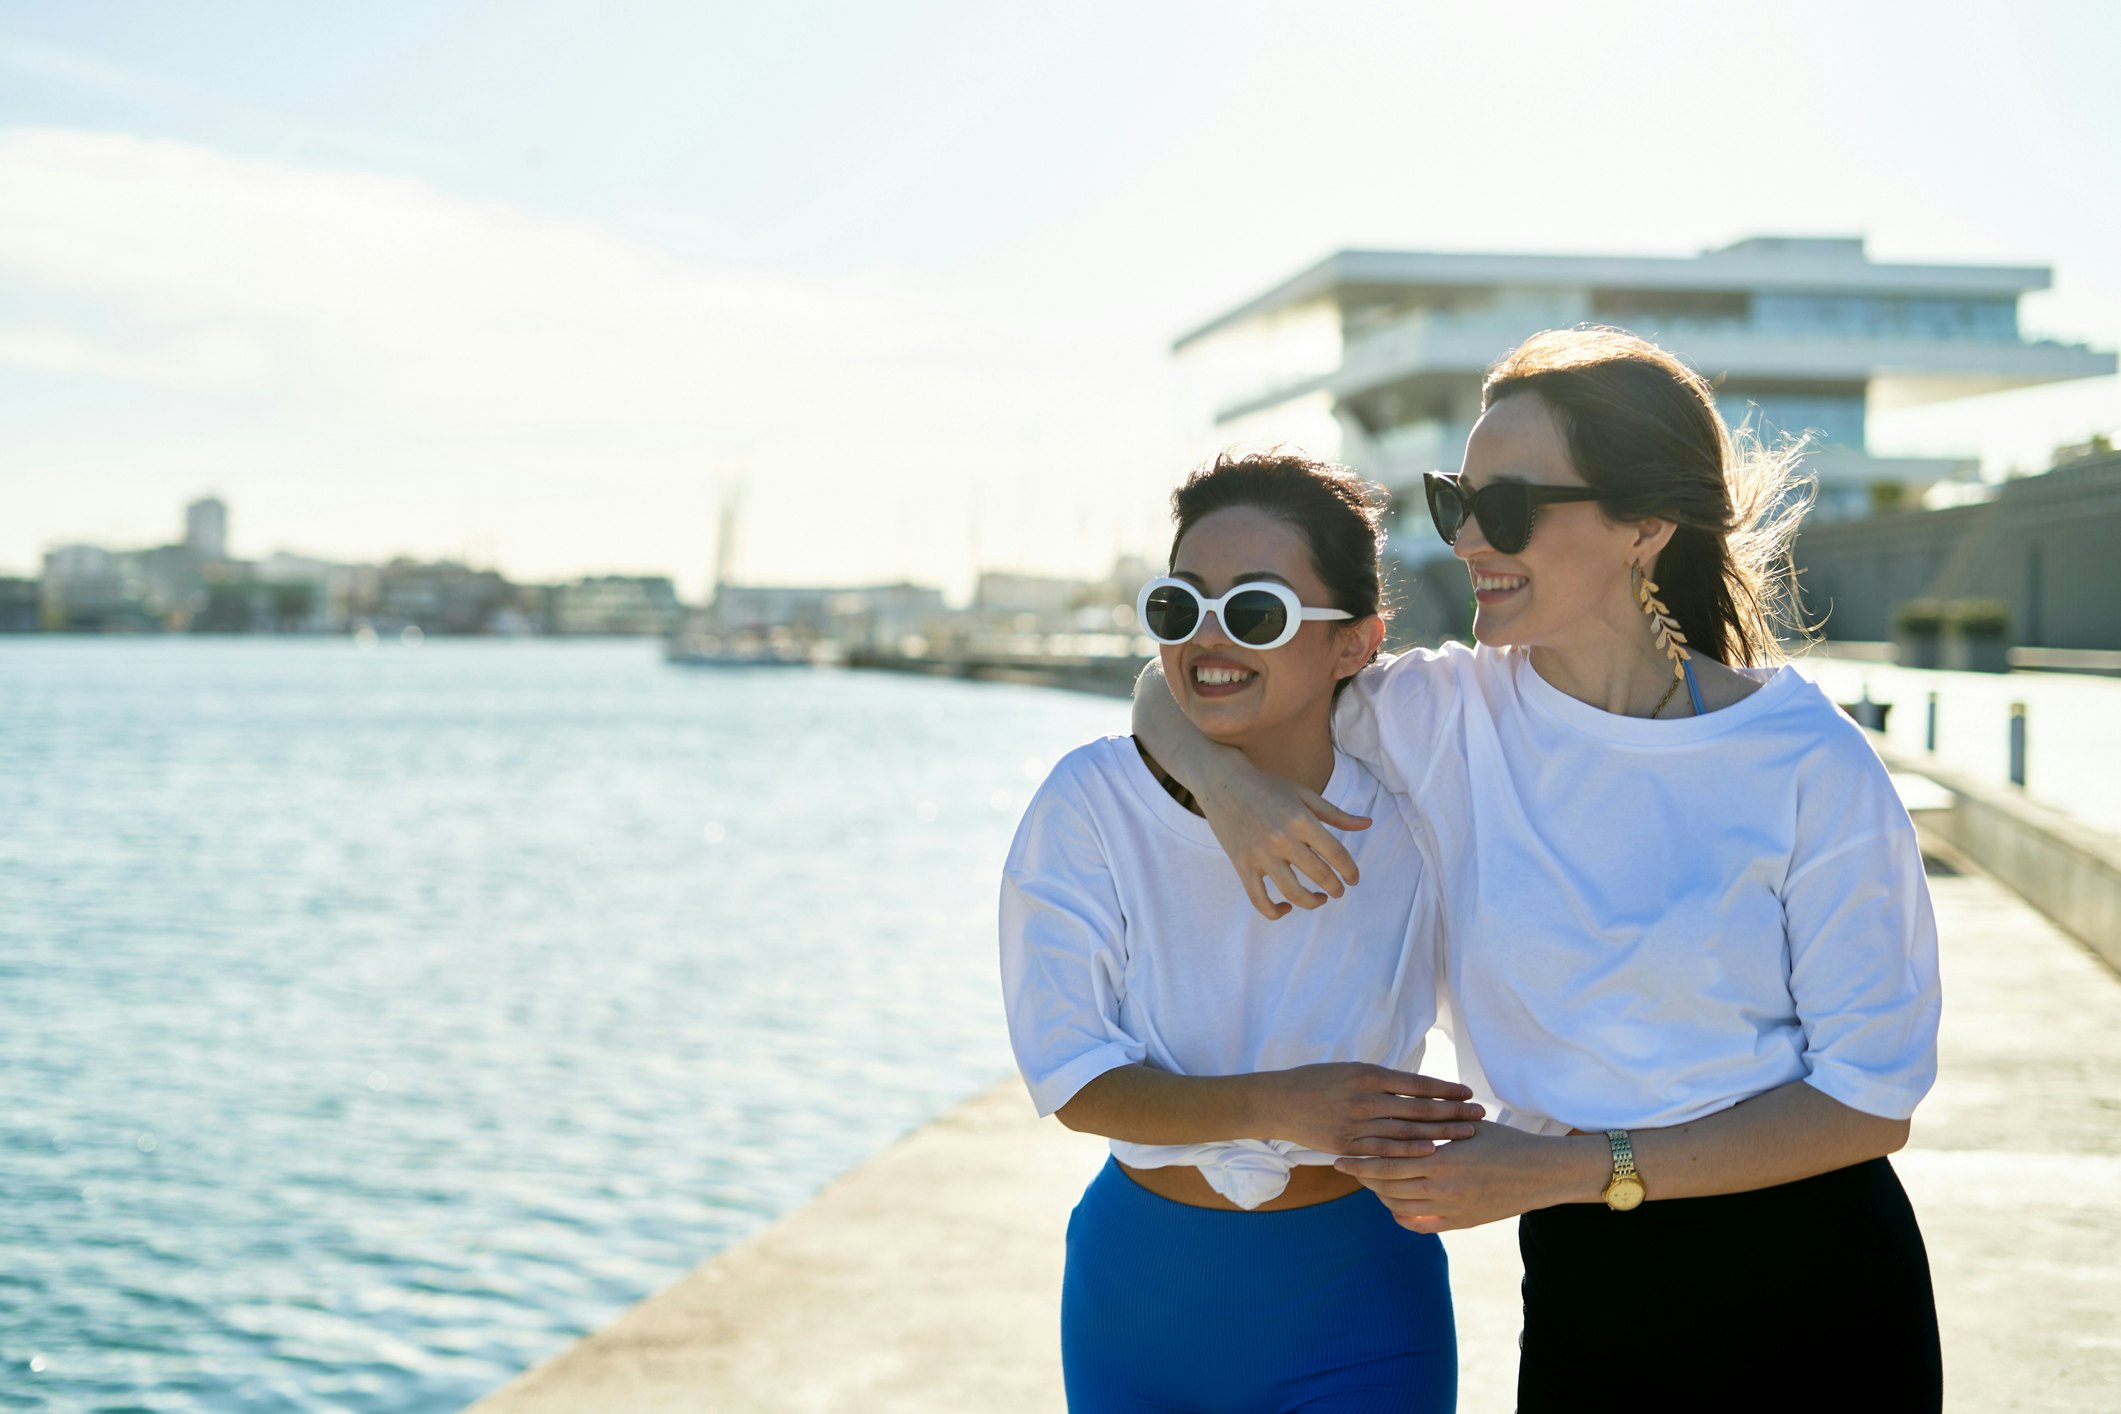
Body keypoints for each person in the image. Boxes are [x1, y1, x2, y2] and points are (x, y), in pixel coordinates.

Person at [1131, 328, 1945, 1411]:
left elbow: (1869, 1100)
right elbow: (1189, 683)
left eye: (1505, 507)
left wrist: (1564, 1170)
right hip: (1588, 1299)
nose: (1467, 537)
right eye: (1453, 499)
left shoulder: (1808, 759)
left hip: (1815, 1287)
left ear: (1645, 528)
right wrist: (1228, 794)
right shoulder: (1437, 714)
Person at [1000, 452, 1474, 1413]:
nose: (1207, 641)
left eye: (1255, 612)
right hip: (1141, 1297)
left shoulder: (1422, 796)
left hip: (1362, 1295)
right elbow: (1075, 1078)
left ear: (1354, 644)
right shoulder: (1089, 803)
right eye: (1180, 607)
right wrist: (1287, 1107)